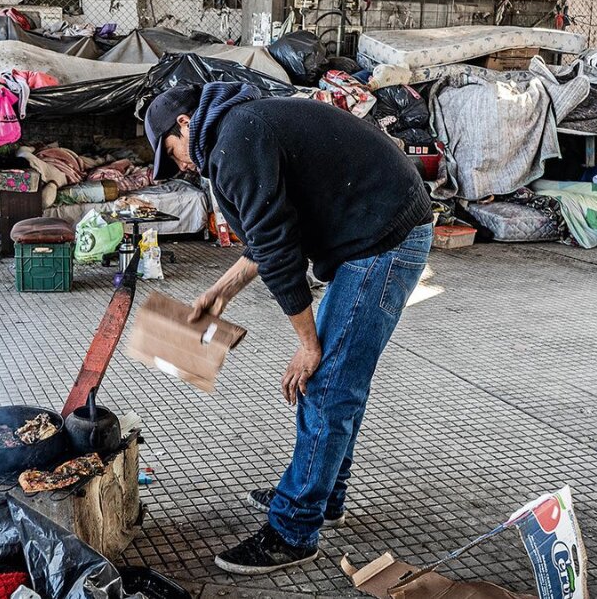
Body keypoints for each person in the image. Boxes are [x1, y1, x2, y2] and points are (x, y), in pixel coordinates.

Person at [143, 82, 433, 575]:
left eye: (170, 153)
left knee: (325, 383)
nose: (178, 166)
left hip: (385, 237)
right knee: (336, 383)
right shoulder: (238, 129)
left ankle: (294, 531)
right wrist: (220, 293)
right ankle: (325, 497)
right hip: (372, 230)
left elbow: (280, 254)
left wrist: (307, 344)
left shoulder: (235, 140)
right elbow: (269, 231)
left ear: (184, 125)